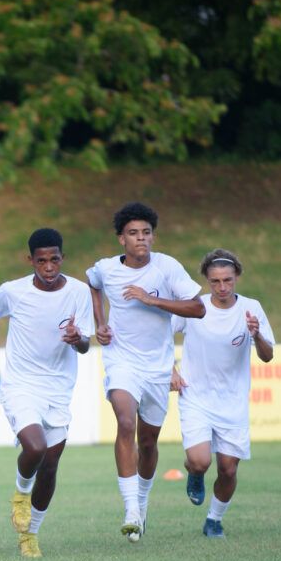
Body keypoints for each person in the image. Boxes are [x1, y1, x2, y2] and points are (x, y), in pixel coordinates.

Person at [0, 228, 92, 558]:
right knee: (34, 448)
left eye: (54, 260)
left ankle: (30, 536)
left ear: (62, 258)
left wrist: (77, 338)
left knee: (50, 466)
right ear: (30, 261)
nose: (48, 267)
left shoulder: (79, 292)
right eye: (41, 261)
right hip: (21, 386)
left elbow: (85, 346)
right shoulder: (13, 291)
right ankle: (20, 495)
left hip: (59, 390)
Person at [87, 202, 205, 542]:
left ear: (153, 237)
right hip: (121, 362)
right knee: (125, 422)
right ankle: (131, 510)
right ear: (121, 239)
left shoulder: (167, 268)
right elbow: (91, 283)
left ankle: (142, 501)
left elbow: (198, 308)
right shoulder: (107, 269)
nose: (142, 239)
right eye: (134, 234)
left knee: (148, 443)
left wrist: (153, 301)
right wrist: (100, 323)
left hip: (157, 368)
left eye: (147, 233)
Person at [170, 249, 274, 539]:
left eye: (227, 280)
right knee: (201, 461)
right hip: (195, 395)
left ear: (237, 277)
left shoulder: (251, 308)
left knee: (228, 469)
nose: (222, 287)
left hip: (232, 401)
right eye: (215, 281)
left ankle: (214, 520)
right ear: (206, 280)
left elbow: (267, 355)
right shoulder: (194, 306)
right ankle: (194, 471)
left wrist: (257, 335)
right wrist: (171, 369)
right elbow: (161, 334)